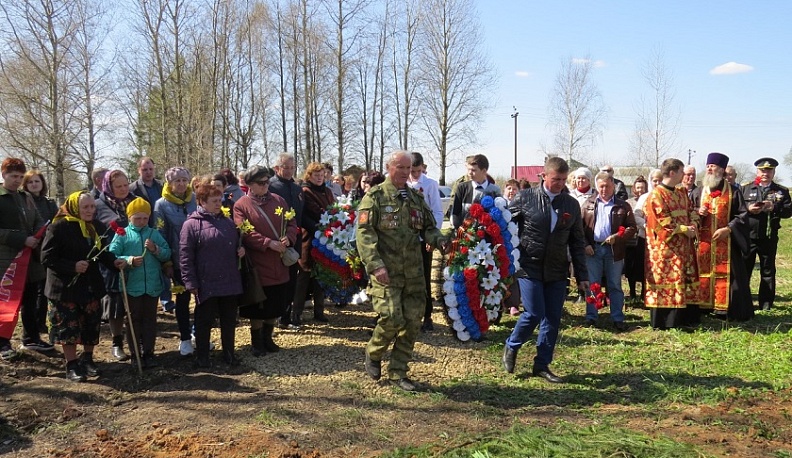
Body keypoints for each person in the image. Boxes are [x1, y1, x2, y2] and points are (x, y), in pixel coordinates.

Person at [357, 150, 447, 391]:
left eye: (409, 169)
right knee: (391, 318)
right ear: (389, 167)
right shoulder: (375, 198)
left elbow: (429, 228)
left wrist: (441, 240)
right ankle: (374, 352)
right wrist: (375, 265)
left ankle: (398, 372)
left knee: (411, 323)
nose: (406, 173)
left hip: (414, 273)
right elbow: (365, 236)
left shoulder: (416, 199)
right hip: (387, 273)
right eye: (401, 168)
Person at [501, 157, 588, 383]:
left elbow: (577, 242)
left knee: (552, 318)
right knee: (534, 312)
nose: (559, 183)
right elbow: (505, 226)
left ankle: (542, 365)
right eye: (555, 179)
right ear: (544, 176)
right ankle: (512, 344)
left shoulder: (570, 204)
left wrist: (582, 276)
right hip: (530, 266)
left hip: (557, 269)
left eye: (562, 179)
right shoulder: (525, 197)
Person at [41, 191, 127, 381]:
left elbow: (101, 252)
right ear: (74, 208)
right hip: (65, 288)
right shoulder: (59, 226)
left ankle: (87, 359)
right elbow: (47, 257)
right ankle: (71, 365)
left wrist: (114, 262)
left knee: (91, 324)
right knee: (68, 327)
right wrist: (72, 267)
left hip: (89, 285)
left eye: (92, 207)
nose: (90, 211)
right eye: (85, 207)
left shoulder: (95, 226)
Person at [233, 166, 297, 356]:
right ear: (250, 185)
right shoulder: (241, 205)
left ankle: (268, 338)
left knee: (275, 304)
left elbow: (292, 223)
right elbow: (244, 231)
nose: (265, 186)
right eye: (261, 183)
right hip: (259, 264)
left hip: (279, 263)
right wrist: (267, 243)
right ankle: (257, 341)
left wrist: (289, 237)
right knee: (258, 305)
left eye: (267, 182)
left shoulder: (279, 201)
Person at [180, 183, 245, 368]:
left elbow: (234, 245)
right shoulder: (191, 225)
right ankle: (202, 357)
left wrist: (240, 250)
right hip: (206, 282)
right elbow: (185, 256)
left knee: (229, 320)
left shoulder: (227, 222)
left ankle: (229, 354)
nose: (219, 203)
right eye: (214, 201)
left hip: (229, 280)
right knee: (204, 321)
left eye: (220, 200)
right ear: (201, 202)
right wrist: (190, 281)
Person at [109, 197, 171, 368]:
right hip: (130, 286)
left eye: (145, 218)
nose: (142, 221)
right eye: (137, 218)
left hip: (152, 286)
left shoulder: (154, 234)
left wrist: (155, 249)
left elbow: (167, 253)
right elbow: (112, 255)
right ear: (130, 217)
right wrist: (128, 260)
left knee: (150, 319)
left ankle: (149, 352)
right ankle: (135, 353)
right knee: (133, 319)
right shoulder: (122, 234)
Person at [0, 158, 52, 360]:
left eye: (21, 177)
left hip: (30, 259)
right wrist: (22, 239)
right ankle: (3, 342)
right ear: (4, 174)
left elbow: (38, 219)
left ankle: (31, 338)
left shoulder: (25, 197)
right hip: (7, 260)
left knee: (30, 300)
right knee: (6, 301)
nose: (17, 180)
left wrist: (39, 235)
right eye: (13, 176)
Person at [691, 152, 753, 321]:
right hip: (702, 243)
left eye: (714, 166)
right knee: (701, 273)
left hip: (726, 242)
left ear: (722, 170)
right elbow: (688, 213)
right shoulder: (698, 192)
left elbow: (742, 216)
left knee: (729, 275)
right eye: (708, 166)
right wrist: (697, 212)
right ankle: (703, 306)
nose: (710, 169)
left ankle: (723, 309)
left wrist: (729, 229)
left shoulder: (733, 192)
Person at [644, 159, 699, 329]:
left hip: (684, 247)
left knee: (684, 280)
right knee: (666, 282)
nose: (685, 175)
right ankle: (666, 322)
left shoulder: (681, 192)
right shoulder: (656, 195)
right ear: (673, 173)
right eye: (682, 171)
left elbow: (692, 211)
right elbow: (661, 222)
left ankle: (684, 319)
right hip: (664, 250)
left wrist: (694, 224)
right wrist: (683, 229)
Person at [581, 172, 637, 331]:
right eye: (601, 186)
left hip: (615, 250)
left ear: (613, 186)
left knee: (614, 285)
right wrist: (585, 244)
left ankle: (617, 318)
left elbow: (632, 227)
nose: (604, 189)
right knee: (593, 285)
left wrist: (618, 237)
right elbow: (579, 229)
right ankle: (591, 317)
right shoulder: (588, 204)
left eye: (607, 186)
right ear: (597, 187)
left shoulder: (622, 205)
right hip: (593, 250)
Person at [153, 167, 198, 355]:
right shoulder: (161, 205)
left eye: (183, 180)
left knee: (202, 299)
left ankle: (199, 334)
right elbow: (160, 234)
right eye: (176, 181)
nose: (181, 184)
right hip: (178, 259)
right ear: (169, 183)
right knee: (182, 299)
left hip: (199, 258)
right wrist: (167, 263)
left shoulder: (194, 199)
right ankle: (185, 338)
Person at [94, 169, 137, 360]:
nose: (123, 189)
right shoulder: (98, 205)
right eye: (118, 186)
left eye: (126, 185)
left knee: (134, 304)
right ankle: (117, 342)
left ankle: (136, 341)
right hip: (112, 262)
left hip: (136, 260)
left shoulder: (135, 201)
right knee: (116, 305)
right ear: (108, 186)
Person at [741, 157, 792, 311]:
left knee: (768, 270)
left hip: (769, 237)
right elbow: (738, 210)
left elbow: (788, 211)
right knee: (745, 270)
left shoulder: (781, 191)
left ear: (774, 172)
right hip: (748, 236)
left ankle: (766, 304)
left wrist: (774, 207)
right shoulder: (746, 188)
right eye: (762, 170)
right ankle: (744, 301)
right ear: (757, 171)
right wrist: (749, 209)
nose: (765, 173)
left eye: (769, 170)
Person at [291, 162, 335, 326]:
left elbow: (333, 209)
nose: (319, 178)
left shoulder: (327, 191)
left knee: (320, 276)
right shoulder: (305, 191)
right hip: (309, 237)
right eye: (316, 175)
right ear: (309, 176)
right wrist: (319, 228)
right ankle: (296, 313)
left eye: (322, 175)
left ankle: (319, 311)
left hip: (326, 236)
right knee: (304, 275)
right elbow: (308, 213)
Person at [407, 152, 444, 332]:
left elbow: (437, 212)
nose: (413, 174)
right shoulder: (402, 183)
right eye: (411, 171)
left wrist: (431, 236)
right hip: (405, 239)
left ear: (422, 167)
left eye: (416, 171)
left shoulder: (430, 185)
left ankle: (427, 315)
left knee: (424, 278)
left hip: (423, 238)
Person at [268, 153, 305, 329]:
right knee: (277, 278)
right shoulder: (271, 187)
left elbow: (301, 215)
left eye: (292, 167)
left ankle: (286, 316)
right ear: (277, 168)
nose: (290, 171)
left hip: (294, 238)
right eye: (286, 167)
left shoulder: (297, 189)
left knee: (291, 278)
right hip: (276, 240)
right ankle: (273, 314)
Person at [22, 170, 59, 335]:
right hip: (30, 248)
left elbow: (56, 223)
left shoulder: (49, 203)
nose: (34, 184)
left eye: (37, 181)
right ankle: (33, 324)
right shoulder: (23, 201)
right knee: (33, 289)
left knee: (45, 286)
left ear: (42, 183)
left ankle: (42, 321)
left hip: (47, 247)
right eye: (30, 182)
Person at [450, 154, 501, 229]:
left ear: (484, 171)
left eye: (473, 170)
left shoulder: (494, 190)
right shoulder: (462, 188)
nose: (469, 173)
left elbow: (499, 215)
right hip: (465, 236)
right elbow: (455, 213)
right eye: (468, 170)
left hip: (487, 235)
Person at [624, 176, 649, 303]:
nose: (640, 190)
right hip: (630, 241)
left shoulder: (649, 199)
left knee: (642, 268)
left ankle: (643, 292)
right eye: (638, 188)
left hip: (641, 238)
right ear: (634, 188)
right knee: (631, 268)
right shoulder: (629, 202)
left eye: (643, 188)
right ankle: (632, 292)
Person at [129, 157, 164, 222]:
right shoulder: (132, 189)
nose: (148, 172)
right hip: (143, 225)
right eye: (145, 170)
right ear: (139, 170)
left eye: (151, 169)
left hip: (162, 224)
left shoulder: (162, 186)